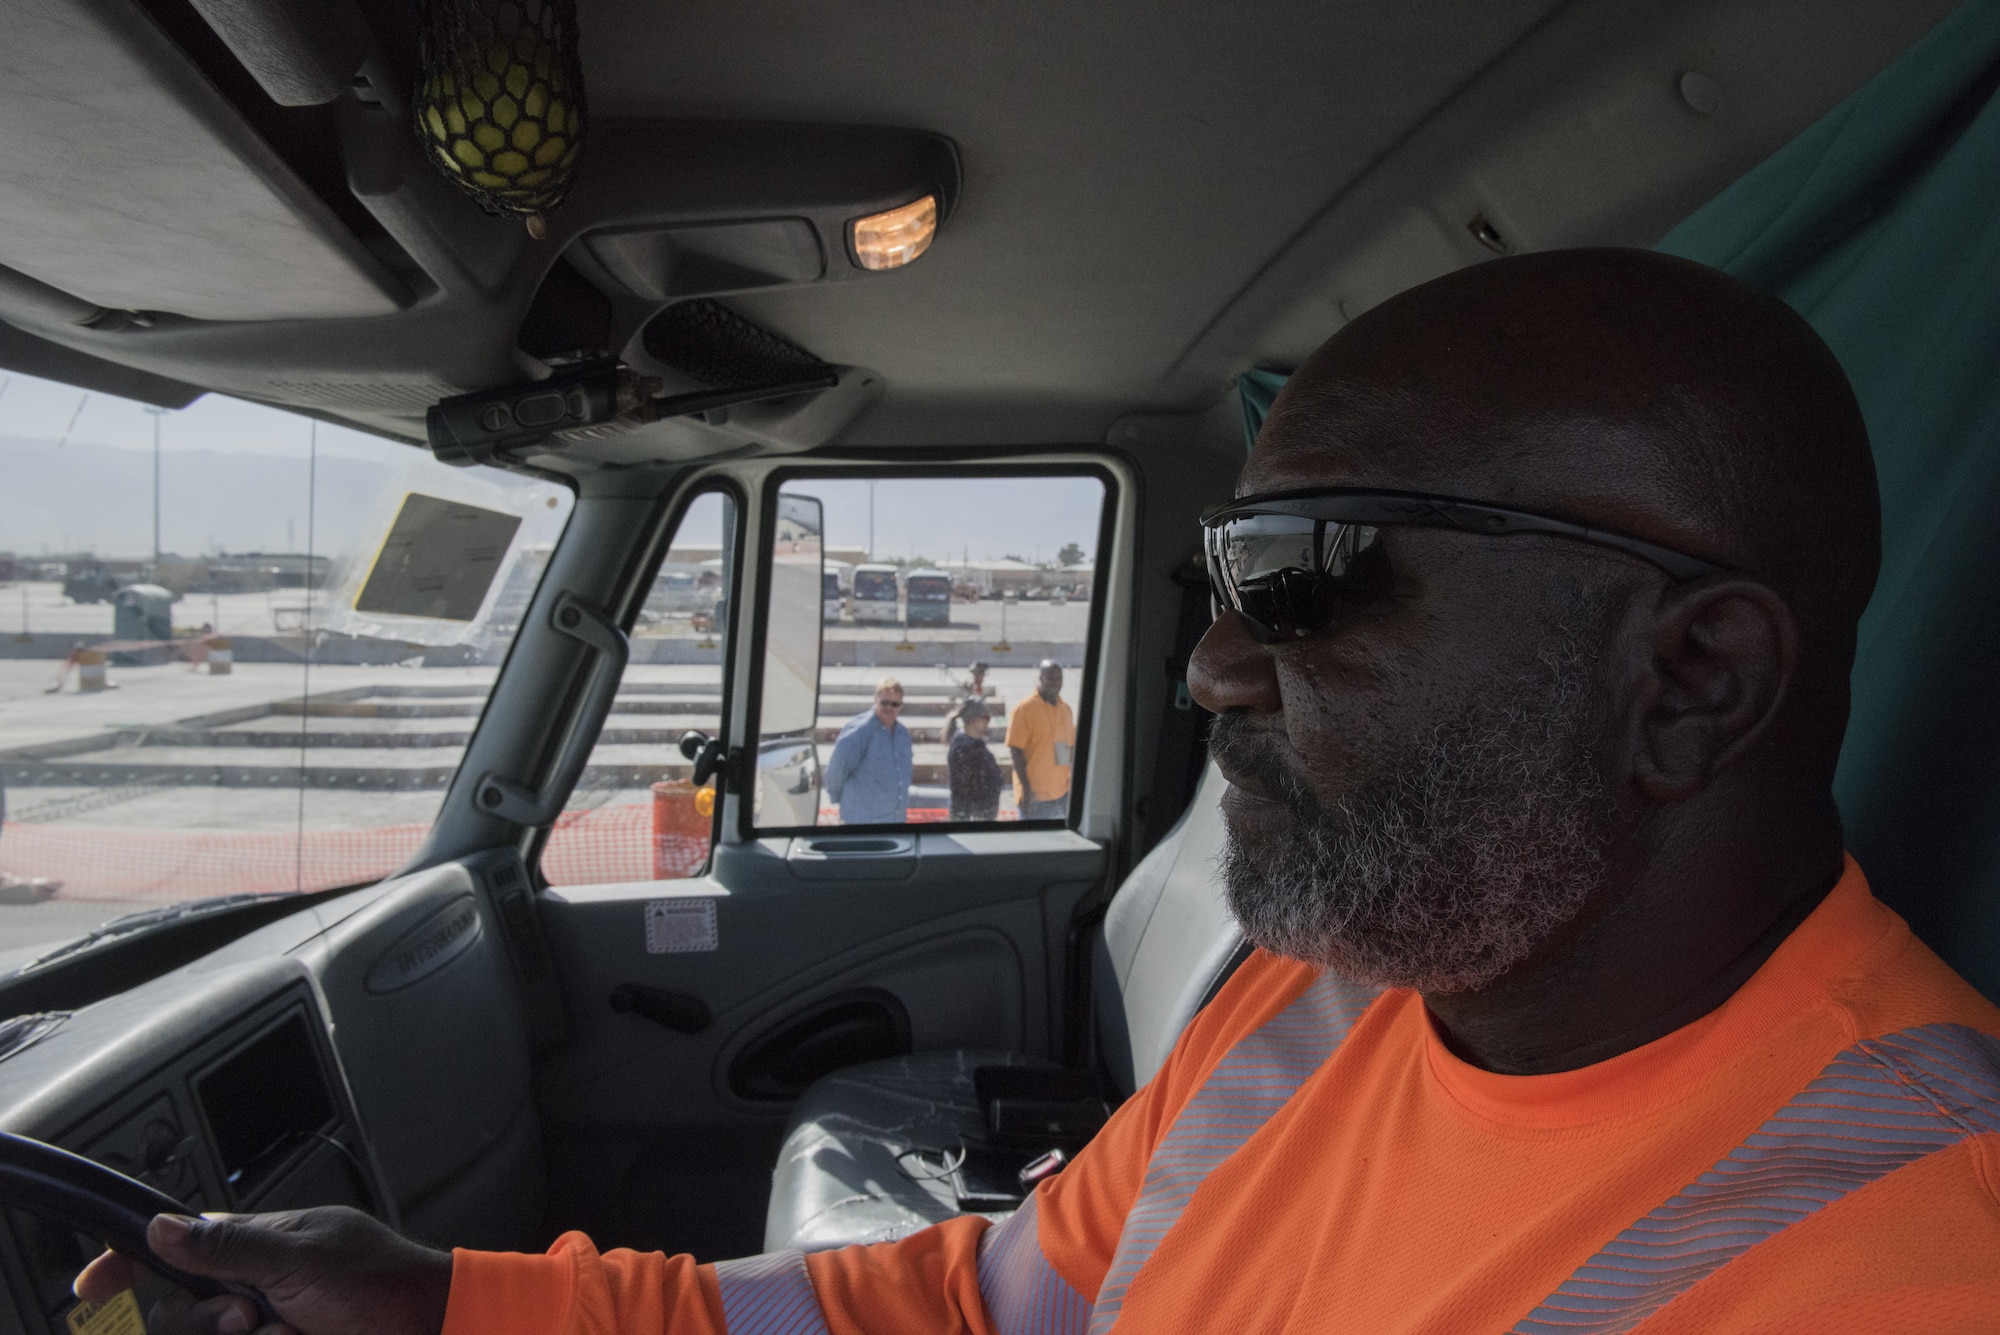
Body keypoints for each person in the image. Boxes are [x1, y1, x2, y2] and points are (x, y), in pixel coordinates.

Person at [77, 249, 2000, 1334]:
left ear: (1696, 677)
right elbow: (995, 1301)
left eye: (1311, 580)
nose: (1211, 667)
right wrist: (450, 1313)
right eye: (1211, 584)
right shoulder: (1326, 1002)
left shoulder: (1905, 1251)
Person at [821, 677, 912, 825]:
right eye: (884, 703)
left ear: (901, 705)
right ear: (875, 700)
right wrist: (840, 800)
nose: (889, 708)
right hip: (862, 821)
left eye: (894, 704)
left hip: (894, 819)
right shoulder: (860, 730)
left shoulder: (902, 734)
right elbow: (837, 769)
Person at [1006, 659, 1075, 820]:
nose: (1055, 683)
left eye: (1059, 679)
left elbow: (1066, 749)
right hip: (1035, 798)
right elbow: (1016, 750)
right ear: (1040, 678)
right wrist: (1027, 790)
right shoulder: (1025, 709)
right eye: (1050, 678)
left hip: (1061, 795)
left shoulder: (1065, 710)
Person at [945, 698, 1002, 821]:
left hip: (982, 814)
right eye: (986, 717)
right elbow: (963, 790)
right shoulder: (962, 749)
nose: (989, 721)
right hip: (970, 818)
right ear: (973, 720)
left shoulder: (977, 745)